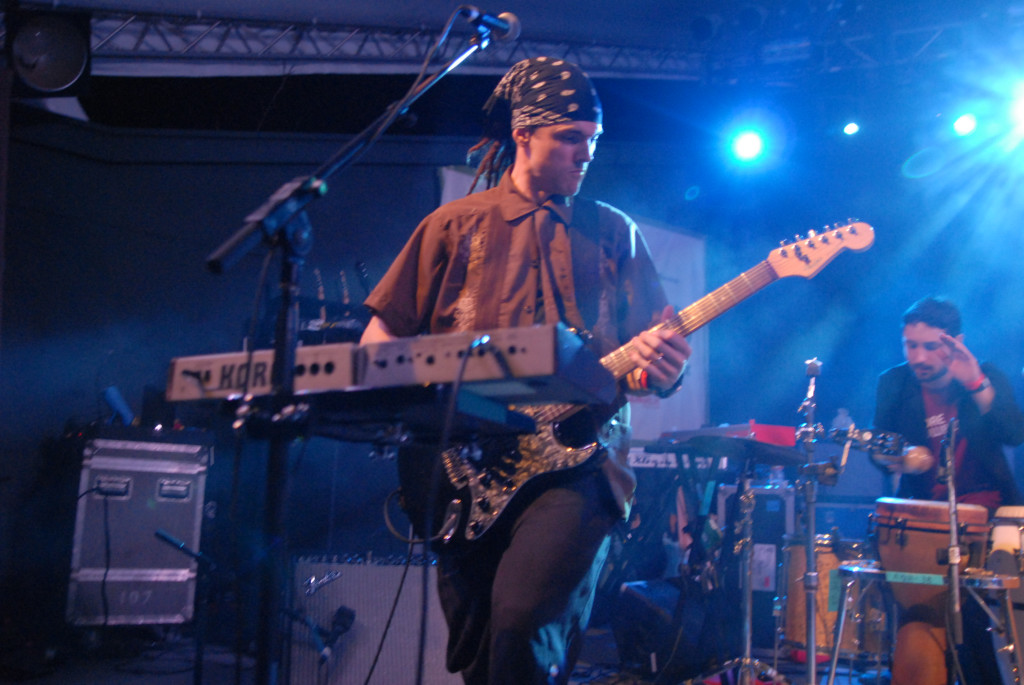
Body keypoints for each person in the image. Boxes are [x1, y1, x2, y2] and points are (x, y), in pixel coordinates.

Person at [360, 56, 691, 684]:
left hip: (580, 466)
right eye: (569, 137)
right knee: (485, 653)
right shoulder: (451, 227)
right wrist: (424, 413)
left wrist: (665, 369)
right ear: (523, 135)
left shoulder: (613, 232)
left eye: (592, 139)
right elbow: (379, 343)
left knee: (522, 622)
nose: (586, 153)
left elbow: (652, 366)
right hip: (463, 470)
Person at [872, 296, 1024, 685]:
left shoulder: (985, 375)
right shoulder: (894, 383)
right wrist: (897, 457)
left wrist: (974, 381)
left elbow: (1013, 433)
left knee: (974, 620)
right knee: (920, 614)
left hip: (988, 521)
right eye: (910, 345)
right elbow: (879, 449)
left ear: (956, 342)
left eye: (930, 346)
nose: (919, 357)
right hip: (925, 522)